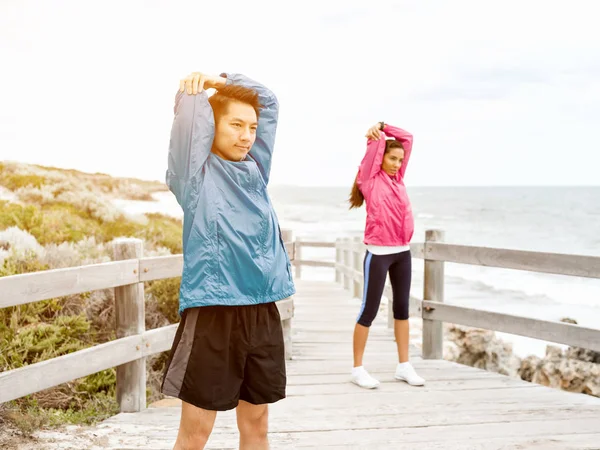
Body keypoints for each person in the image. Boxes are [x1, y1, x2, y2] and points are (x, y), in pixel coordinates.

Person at [160, 71, 295, 450]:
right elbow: (189, 128)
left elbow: (268, 102)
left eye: (251, 127)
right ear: (211, 126)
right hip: (214, 311)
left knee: (258, 426)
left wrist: (227, 78)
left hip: (261, 310)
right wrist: (197, 92)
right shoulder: (195, 177)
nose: (247, 135)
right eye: (235, 125)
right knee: (196, 432)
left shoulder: (256, 170)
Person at [347, 121, 424, 389]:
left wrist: (384, 125)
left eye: (400, 160)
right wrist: (376, 135)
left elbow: (409, 138)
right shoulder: (369, 178)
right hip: (379, 253)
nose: (396, 164)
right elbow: (376, 150)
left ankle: (404, 366)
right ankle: (358, 369)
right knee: (368, 310)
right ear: (381, 158)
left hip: (402, 252)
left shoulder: (398, 179)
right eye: (392, 158)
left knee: (402, 309)